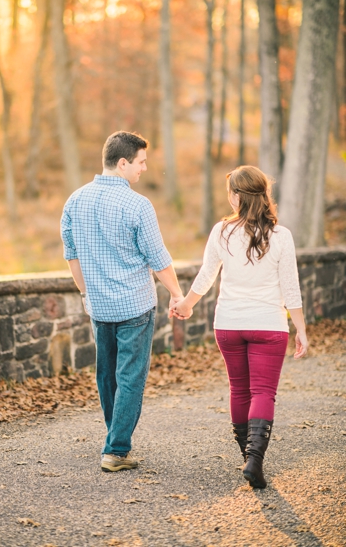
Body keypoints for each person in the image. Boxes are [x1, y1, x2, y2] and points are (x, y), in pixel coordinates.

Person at [170, 166, 308, 489]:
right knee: (263, 392)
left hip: (229, 324)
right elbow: (291, 288)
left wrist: (187, 303)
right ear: (263, 195)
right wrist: (301, 328)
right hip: (269, 326)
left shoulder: (221, 231)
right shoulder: (281, 236)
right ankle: (254, 460)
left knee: (239, 390)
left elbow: (206, 276)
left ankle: (248, 458)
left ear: (235, 197)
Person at [61, 131, 184, 472]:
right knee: (130, 377)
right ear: (124, 162)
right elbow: (159, 259)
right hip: (135, 306)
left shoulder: (75, 201)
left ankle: (114, 438)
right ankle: (116, 450)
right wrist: (177, 294)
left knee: (106, 375)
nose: (145, 169)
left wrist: (87, 295)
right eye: (142, 162)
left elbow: (72, 258)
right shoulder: (138, 205)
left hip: (99, 307)